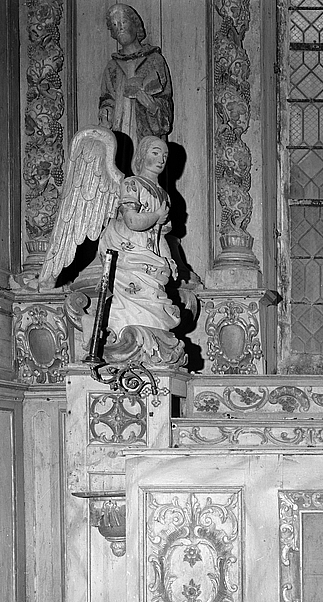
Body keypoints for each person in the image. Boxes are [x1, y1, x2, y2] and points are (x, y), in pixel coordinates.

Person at [99, 136, 180, 346]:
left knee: (154, 304)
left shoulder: (164, 195)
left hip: (151, 255)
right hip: (130, 251)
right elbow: (132, 221)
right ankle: (125, 342)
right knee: (131, 307)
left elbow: (161, 235)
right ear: (143, 155)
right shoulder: (131, 184)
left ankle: (150, 345)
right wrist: (156, 216)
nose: (161, 159)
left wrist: (169, 260)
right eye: (155, 152)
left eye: (165, 155)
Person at [99, 4, 174, 145]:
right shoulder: (112, 66)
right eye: (114, 25)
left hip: (147, 136)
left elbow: (165, 99)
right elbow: (107, 99)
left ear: (135, 25)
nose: (120, 27)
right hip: (119, 136)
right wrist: (106, 112)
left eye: (123, 22)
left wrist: (152, 106)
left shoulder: (154, 60)